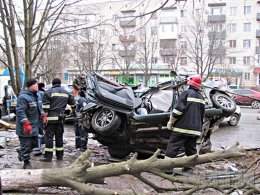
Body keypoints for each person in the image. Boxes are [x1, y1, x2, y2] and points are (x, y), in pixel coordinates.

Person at [165, 74, 205, 173]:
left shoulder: (186, 93)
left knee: (173, 147)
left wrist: (171, 121)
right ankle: (190, 168)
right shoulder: (201, 97)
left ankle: (167, 168)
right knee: (191, 149)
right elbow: (202, 114)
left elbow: (178, 110)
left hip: (181, 128)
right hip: (195, 129)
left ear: (189, 83)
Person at [40, 78, 76, 162]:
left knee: (49, 137)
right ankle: (60, 156)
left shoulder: (48, 92)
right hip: (61, 119)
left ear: (52, 84)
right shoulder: (66, 92)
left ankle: (48, 156)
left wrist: (44, 117)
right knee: (59, 137)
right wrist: (73, 111)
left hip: (51, 119)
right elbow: (73, 104)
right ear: (60, 83)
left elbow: (45, 107)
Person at [16, 78, 47, 169]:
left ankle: (21, 151)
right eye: (34, 84)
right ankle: (26, 163)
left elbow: (40, 108)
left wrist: (43, 115)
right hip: (25, 126)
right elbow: (20, 111)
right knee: (26, 144)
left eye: (37, 84)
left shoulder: (38, 95)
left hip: (35, 125)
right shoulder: (23, 97)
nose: (37, 85)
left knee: (34, 144)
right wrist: (25, 123)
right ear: (29, 86)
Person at [32, 82, 46, 155]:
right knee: (38, 133)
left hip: (39, 117)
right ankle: (36, 149)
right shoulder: (41, 94)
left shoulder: (39, 94)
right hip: (36, 118)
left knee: (39, 133)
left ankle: (36, 149)